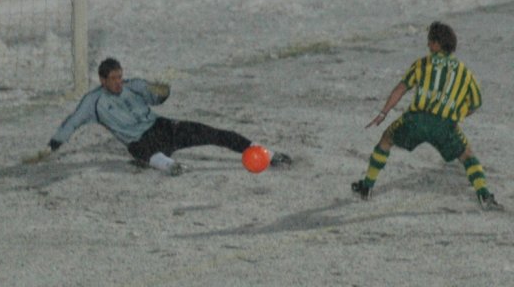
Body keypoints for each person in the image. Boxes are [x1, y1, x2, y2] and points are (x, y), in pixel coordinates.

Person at [48, 57, 292, 175]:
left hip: (162, 127)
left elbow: (156, 97)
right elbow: (73, 121)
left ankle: (268, 154)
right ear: (102, 80)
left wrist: (162, 93)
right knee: (141, 151)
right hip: (139, 141)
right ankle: (171, 167)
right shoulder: (93, 101)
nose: (118, 82)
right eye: (113, 79)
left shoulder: (134, 86)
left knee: (212, 133)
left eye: (120, 76)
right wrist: (55, 143)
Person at [352, 22, 502, 210]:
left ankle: (366, 186)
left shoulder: (423, 64)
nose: (428, 45)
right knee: (467, 156)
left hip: (416, 120)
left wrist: (383, 113)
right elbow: (476, 103)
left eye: (430, 41)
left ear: (438, 44)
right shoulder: (465, 73)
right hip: (445, 126)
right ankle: (483, 195)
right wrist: (457, 115)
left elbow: (401, 89)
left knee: (386, 140)